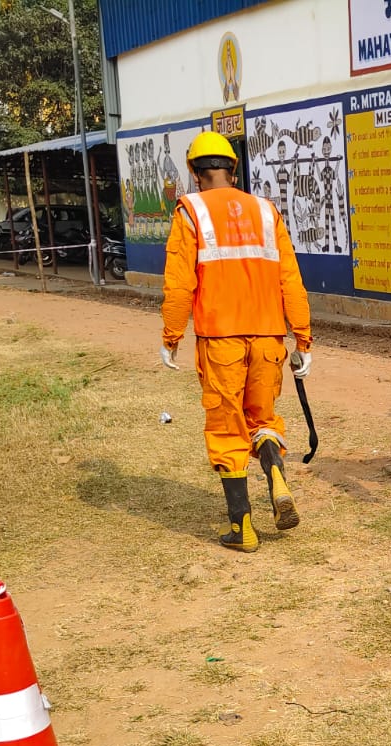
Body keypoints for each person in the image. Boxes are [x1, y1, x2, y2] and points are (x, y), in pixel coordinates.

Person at [159, 131, 313, 553]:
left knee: (228, 428)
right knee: (262, 419)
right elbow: (290, 280)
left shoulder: (190, 210)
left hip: (220, 340)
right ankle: (275, 473)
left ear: (195, 173)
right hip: (268, 338)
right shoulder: (266, 211)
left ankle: (241, 527)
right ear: (233, 169)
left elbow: (179, 283)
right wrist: (303, 337)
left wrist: (171, 335)